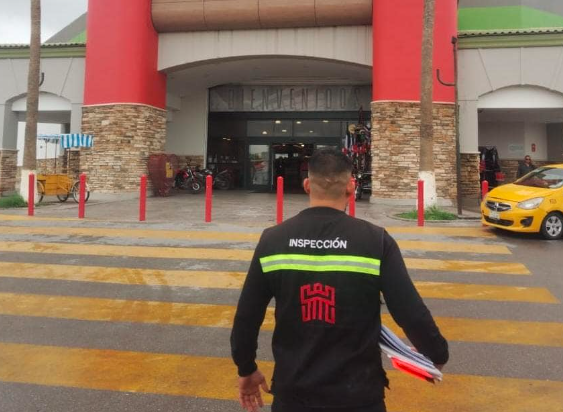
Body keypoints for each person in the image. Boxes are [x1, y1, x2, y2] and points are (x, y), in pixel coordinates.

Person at [230, 148, 448, 412]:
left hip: (293, 394)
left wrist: (246, 368)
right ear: (351, 188)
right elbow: (410, 311)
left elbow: (247, 315)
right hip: (359, 395)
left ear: (307, 186)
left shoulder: (273, 240)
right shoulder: (375, 241)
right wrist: (435, 353)